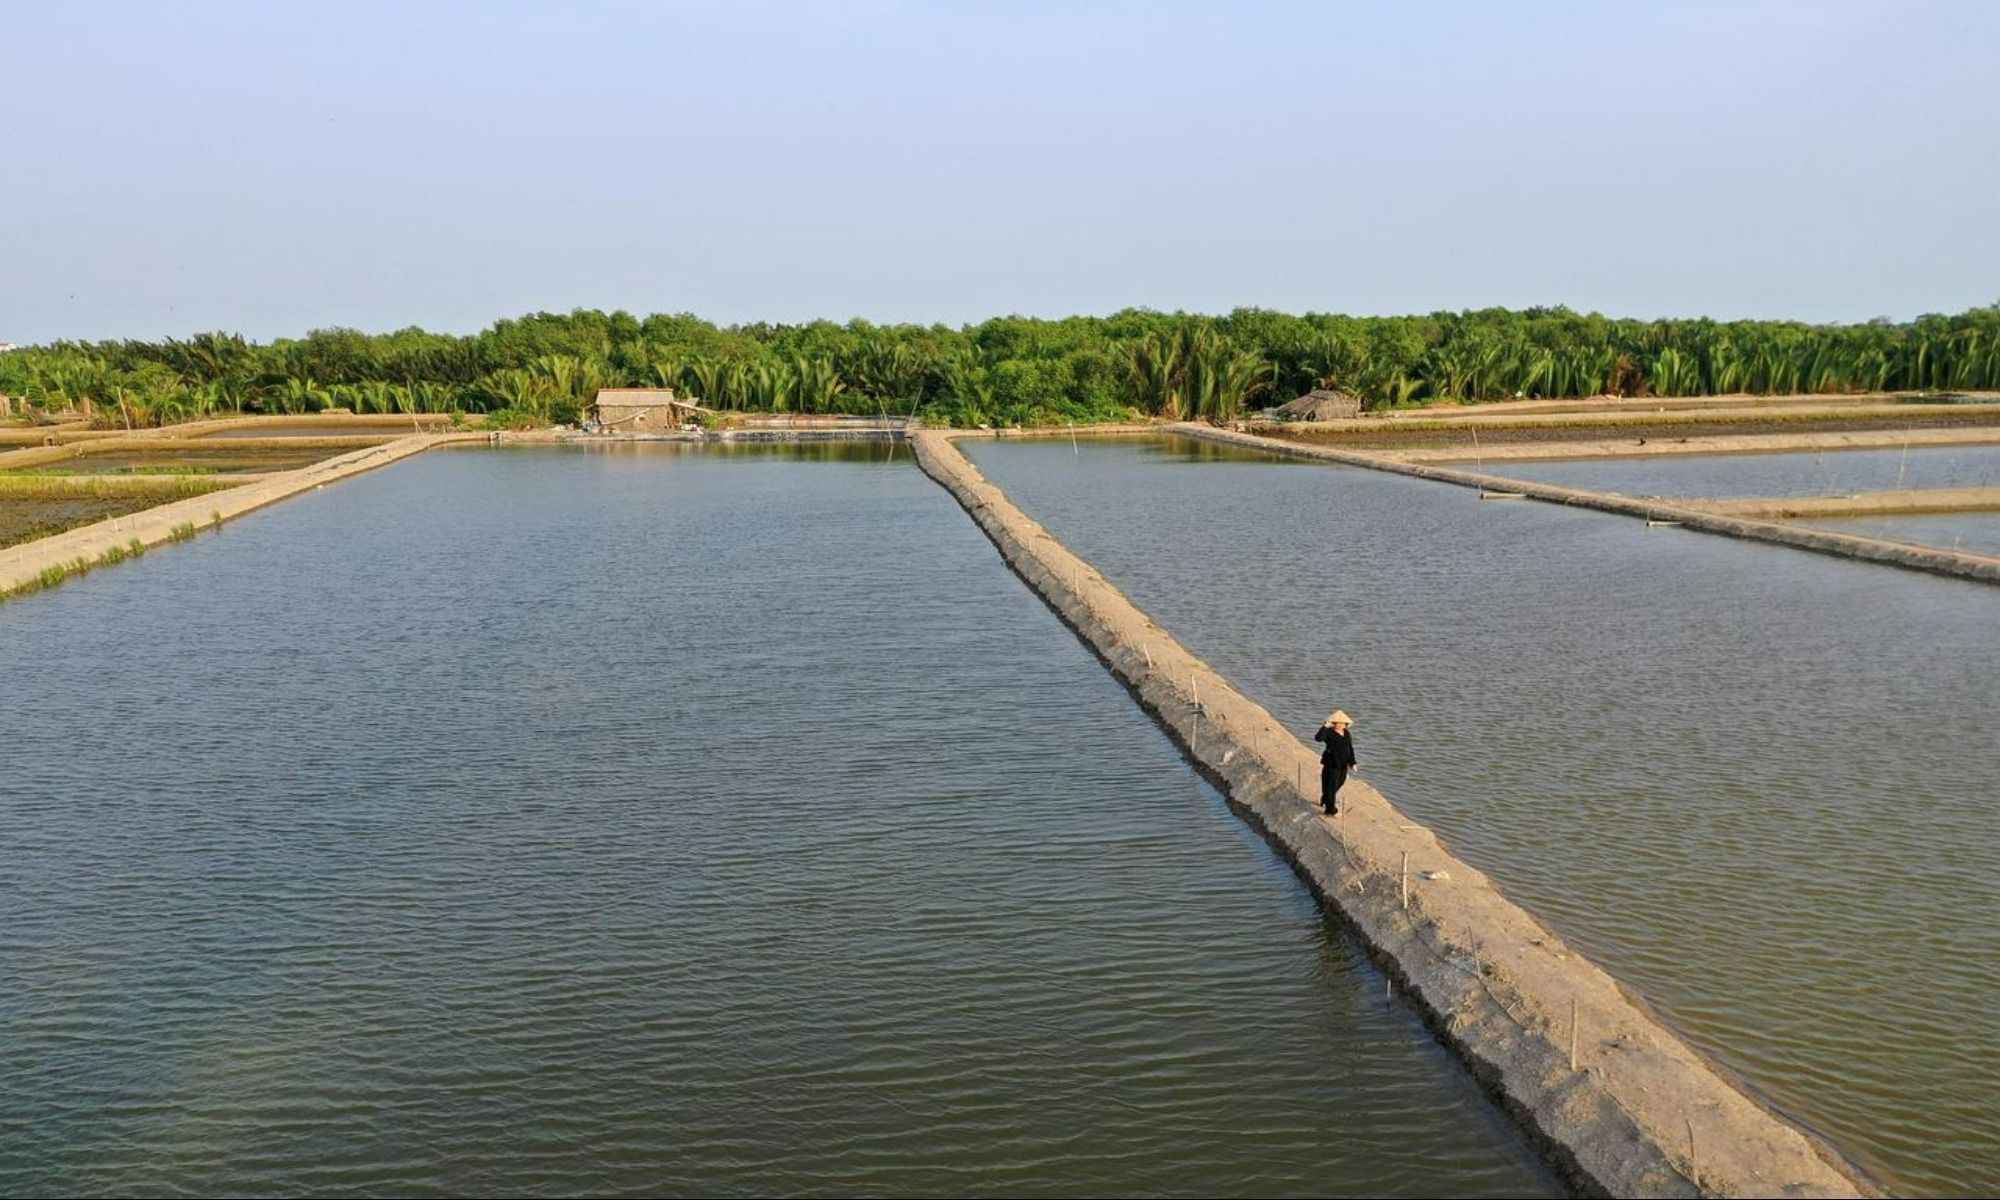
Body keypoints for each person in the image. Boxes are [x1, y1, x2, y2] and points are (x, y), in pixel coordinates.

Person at [1313, 709, 1356, 816]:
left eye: (1343, 724)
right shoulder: (1328, 732)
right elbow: (1318, 738)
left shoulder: (1346, 733)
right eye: (1339, 723)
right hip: (1331, 763)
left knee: (1340, 782)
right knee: (1331, 786)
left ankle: (1325, 798)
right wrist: (1324, 727)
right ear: (1334, 723)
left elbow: (1350, 748)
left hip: (1343, 763)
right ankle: (1330, 810)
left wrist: (1353, 762)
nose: (1341, 725)